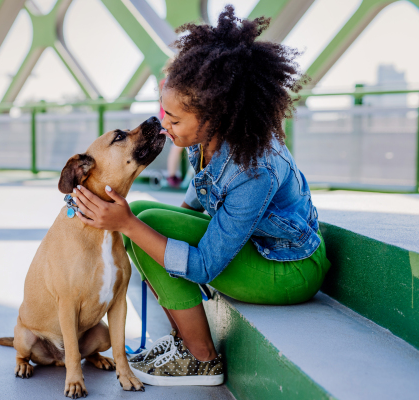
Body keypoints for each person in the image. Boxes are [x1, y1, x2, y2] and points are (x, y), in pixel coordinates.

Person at [72, 6, 330, 387]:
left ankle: (202, 358)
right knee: (146, 213)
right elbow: (204, 184)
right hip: (257, 245)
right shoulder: (209, 136)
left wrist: (130, 225)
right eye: (165, 113)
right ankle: (182, 338)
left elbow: (204, 267)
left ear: (217, 116)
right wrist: (177, 218)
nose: (165, 125)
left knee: (142, 223)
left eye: (174, 120)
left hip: (289, 268)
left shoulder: (254, 169)